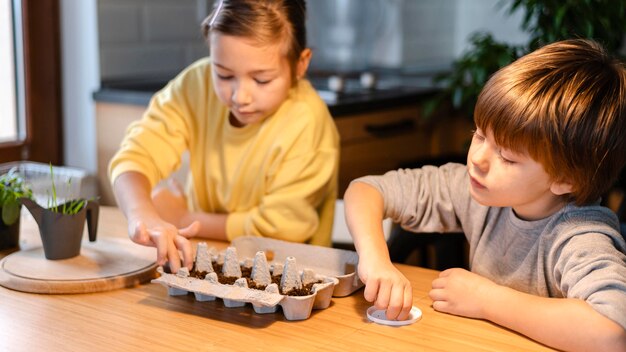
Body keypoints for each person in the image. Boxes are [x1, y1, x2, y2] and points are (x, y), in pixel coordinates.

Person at [344, 39, 626, 352]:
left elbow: (612, 333)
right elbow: (366, 190)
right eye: (479, 135)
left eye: (507, 156)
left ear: (564, 178)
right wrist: (376, 261)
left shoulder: (580, 235)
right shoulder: (479, 188)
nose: (477, 158)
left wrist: (486, 301)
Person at [109, 0, 339, 273]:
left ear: (301, 64)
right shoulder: (196, 85)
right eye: (224, 74)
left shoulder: (307, 121)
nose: (239, 96)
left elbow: (280, 230)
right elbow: (137, 154)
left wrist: (185, 217)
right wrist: (142, 215)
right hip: (204, 267)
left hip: (290, 280)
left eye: (262, 80)